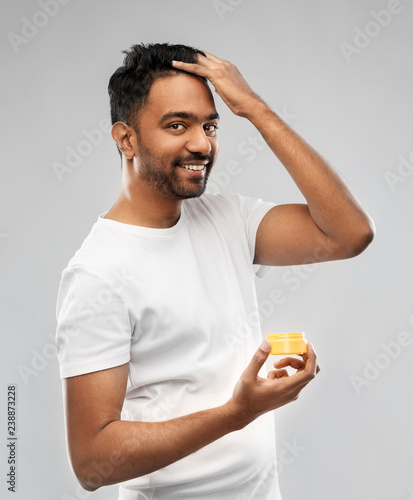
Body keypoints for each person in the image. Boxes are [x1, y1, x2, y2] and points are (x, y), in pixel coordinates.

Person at [55, 43, 374, 499]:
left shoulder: (228, 219)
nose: (202, 144)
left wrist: (257, 110)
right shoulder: (97, 274)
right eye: (177, 125)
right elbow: (92, 462)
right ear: (126, 139)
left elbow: (350, 234)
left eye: (210, 125)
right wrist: (236, 413)